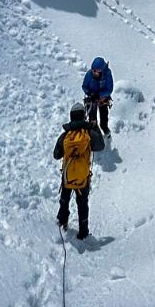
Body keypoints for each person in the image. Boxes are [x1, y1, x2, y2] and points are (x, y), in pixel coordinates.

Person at [54, 102, 105, 239]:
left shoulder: (66, 135)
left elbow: (56, 154)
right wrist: (95, 128)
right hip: (83, 178)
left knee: (64, 199)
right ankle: (83, 232)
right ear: (83, 116)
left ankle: (62, 221)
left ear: (71, 116)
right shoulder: (88, 133)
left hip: (67, 176)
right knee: (82, 204)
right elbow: (100, 146)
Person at [81, 56, 114, 135]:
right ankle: (94, 137)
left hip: (102, 99)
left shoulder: (107, 74)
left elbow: (109, 89)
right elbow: (84, 86)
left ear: (102, 70)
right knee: (92, 121)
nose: (95, 73)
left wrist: (100, 95)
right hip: (91, 99)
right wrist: (89, 93)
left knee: (104, 120)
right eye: (93, 70)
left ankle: (106, 131)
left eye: (97, 71)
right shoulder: (89, 75)